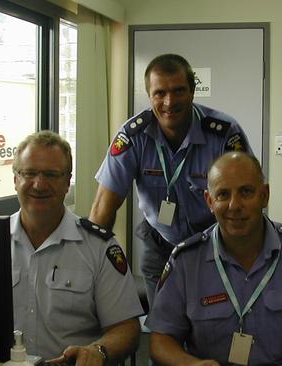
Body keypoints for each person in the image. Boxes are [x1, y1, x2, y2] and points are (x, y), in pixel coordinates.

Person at [146, 151, 282, 366]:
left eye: (246, 192)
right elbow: (160, 340)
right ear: (210, 201)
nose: (235, 206)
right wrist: (192, 364)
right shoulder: (186, 261)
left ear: (264, 196)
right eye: (223, 194)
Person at [90, 53, 253, 306]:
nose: (169, 102)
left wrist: (248, 255)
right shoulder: (134, 137)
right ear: (149, 95)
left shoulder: (223, 132)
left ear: (192, 91)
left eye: (178, 91)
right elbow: (103, 207)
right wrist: (92, 266)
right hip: (160, 243)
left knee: (214, 322)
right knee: (163, 327)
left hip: (214, 242)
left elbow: (248, 196)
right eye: (160, 93)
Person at [11, 130, 143, 365]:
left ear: (67, 182)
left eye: (51, 175)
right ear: (15, 179)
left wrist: (98, 351)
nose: (39, 184)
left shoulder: (99, 247)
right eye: (29, 173)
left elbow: (127, 329)